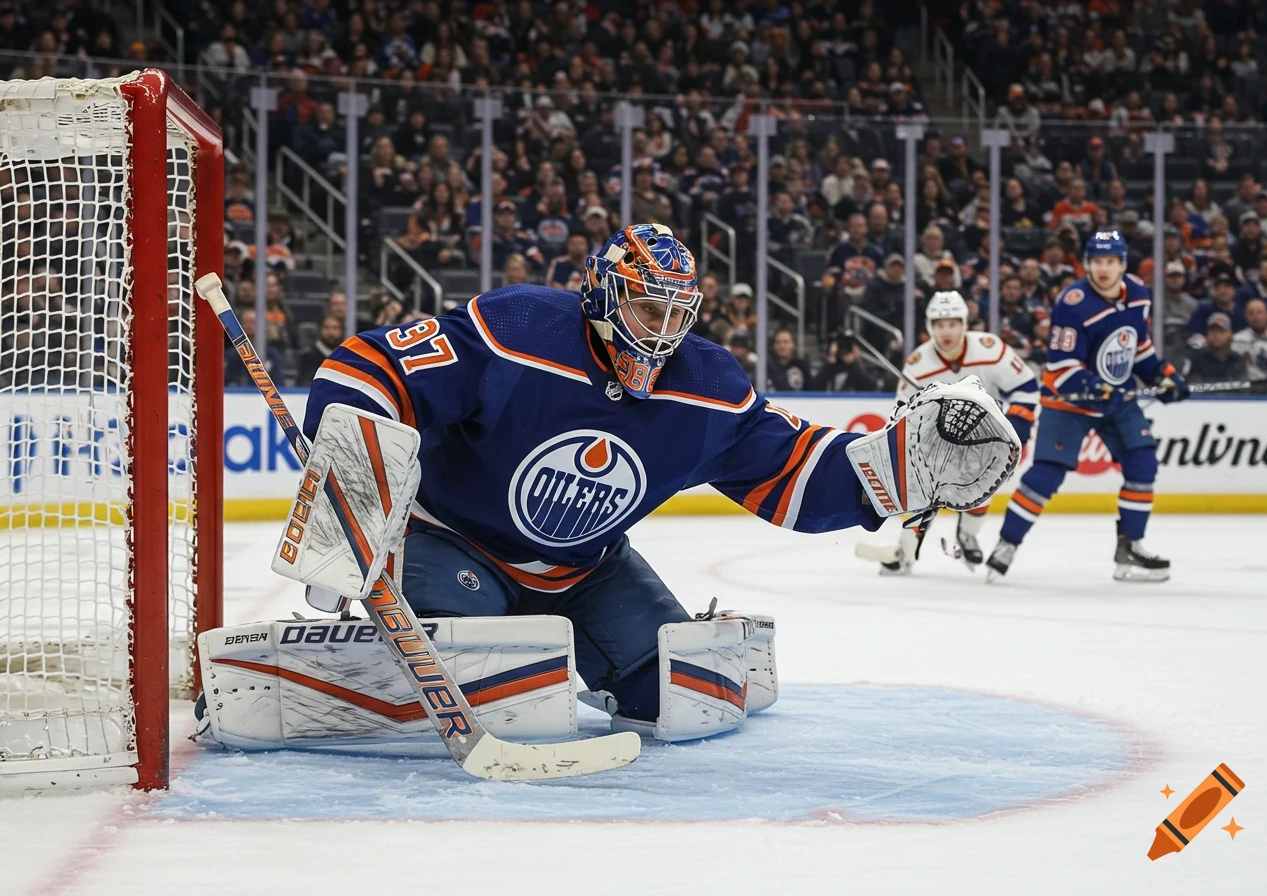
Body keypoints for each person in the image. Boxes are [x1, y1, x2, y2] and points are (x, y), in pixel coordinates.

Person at [302, 224, 1017, 740]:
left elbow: (794, 470)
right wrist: (347, 512)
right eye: (650, 309)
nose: (663, 332)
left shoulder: (706, 388)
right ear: (605, 297)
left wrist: (898, 470)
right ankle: (335, 668)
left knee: (686, 700)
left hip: (586, 568)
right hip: (451, 539)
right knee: (491, 686)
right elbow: (371, 368)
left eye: (679, 315)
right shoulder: (516, 329)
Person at [987, 231, 1191, 583]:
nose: (1104, 269)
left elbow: (1136, 347)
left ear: (1122, 264)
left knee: (1142, 463)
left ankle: (1130, 546)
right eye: (1097, 262)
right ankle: (1007, 543)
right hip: (1068, 400)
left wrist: (1163, 374)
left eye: (1111, 262)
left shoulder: (1139, 295)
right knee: (1046, 474)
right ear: (1088, 264)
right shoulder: (1073, 302)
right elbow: (1061, 366)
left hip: (1117, 400)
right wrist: (1094, 386)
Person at [868, 292, 1038, 576]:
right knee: (920, 494)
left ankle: (968, 534)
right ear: (930, 326)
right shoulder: (918, 363)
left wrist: (1016, 430)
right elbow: (901, 413)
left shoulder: (989, 349)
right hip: (936, 441)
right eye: (938, 324)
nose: (945, 331)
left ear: (965, 324)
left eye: (952, 324)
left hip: (987, 437)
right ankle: (905, 552)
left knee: (982, 488)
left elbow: (1026, 387)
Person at [1184, 313, 1251, 384]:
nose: (1216, 335)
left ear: (1230, 335)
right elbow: (1194, 387)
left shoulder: (1237, 360)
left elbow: (1242, 388)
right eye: (1212, 331)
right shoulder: (1197, 360)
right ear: (1207, 335)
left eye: (1221, 331)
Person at [1231, 298, 1267, 380]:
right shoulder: (1238, 340)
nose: (1256, 317)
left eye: (1259, 312)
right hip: (1250, 388)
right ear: (1246, 316)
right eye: (1251, 313)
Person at [295, 314, 345, 385]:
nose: (330, 332)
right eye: (326, 328)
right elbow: (303, 383)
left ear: (341, 331)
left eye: (335, 328)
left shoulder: (346, 356)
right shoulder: (308, 357)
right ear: (320, 330)